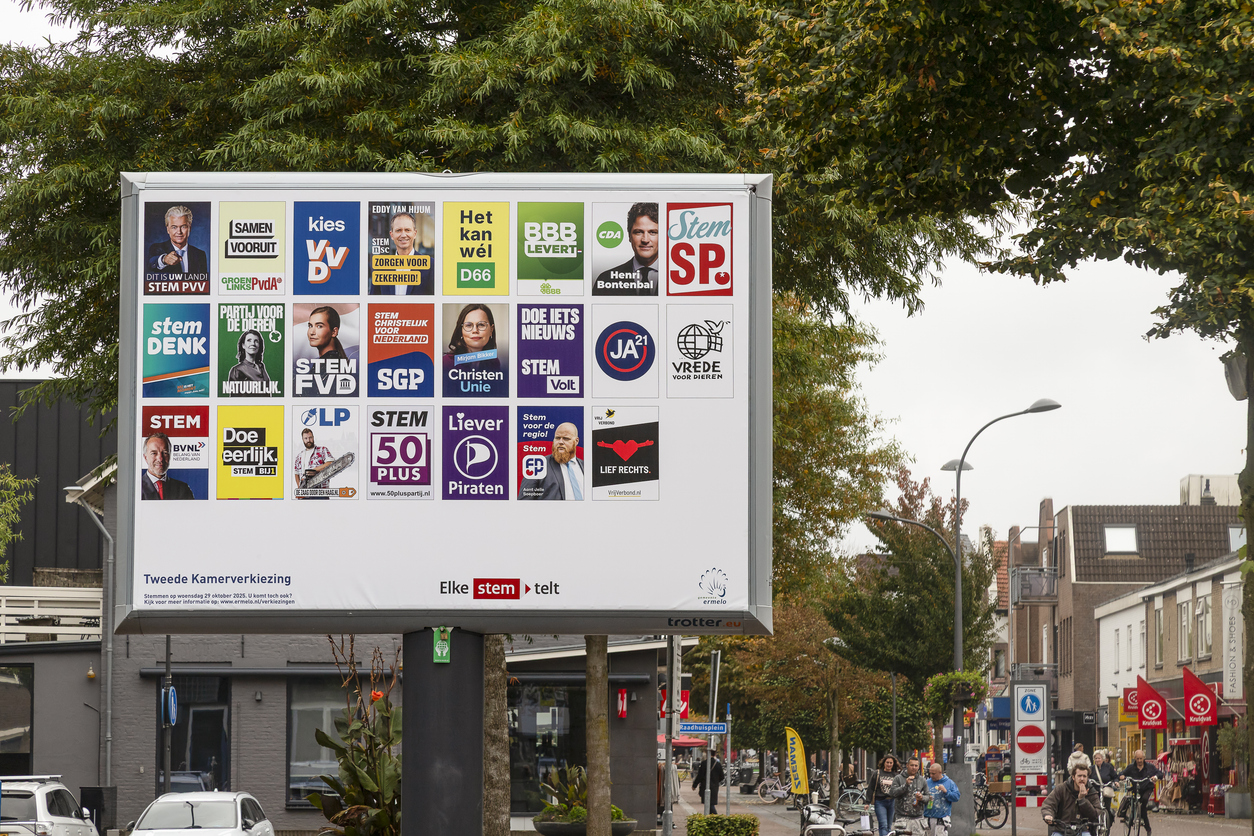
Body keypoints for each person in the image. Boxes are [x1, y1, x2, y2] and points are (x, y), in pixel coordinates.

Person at [594, 202, 660, 295]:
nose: (645, 240)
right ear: (629, 236)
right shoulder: (605, 280)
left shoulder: (680, 279)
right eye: (638, 232)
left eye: (653, 232)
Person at [371, 211, 433, 295]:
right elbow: (374, 304)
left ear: (414, 234)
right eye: (398, 230)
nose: (403, 235)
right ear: (392, 235)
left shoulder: (430, 266)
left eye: (407, 230)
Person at [519, 422, 584, 500]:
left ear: (576, 441)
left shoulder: (587, 467)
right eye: (557, 438)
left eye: (566, 438)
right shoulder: (538, 465)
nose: (560, 442)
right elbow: (524, 504)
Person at [1042, 762, 1101, 836]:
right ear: (1073, 777)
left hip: (1082, 829)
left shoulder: (1091, 792)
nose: (1082, 779)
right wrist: (1048, 815)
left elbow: (1095, 814)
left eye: (1084, 776)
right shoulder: (1061, 788)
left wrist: (1082, 800)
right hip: (1061, 829)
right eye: (1079, 776)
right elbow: (1049, 804)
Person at [147, 205, 208, 274]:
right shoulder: (156, 248)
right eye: (174, 227)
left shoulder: (200, 254)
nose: (179, 232)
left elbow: (203, 282)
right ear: (168, 229)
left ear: (189, 228)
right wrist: (164, 260)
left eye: (183, 227)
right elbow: (152, 263)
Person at [140, 433, 195, 500]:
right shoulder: (137, 488)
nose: (160, 458)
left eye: (165, 453)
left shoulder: (183, 489)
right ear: (145, 457)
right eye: (154, 453)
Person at [1119, 749, 1161, 836]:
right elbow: (1122, 773)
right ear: (1135, 758)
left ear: (1144, 758)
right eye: (1137, 759)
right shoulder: (1131, 767)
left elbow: (1160, 773)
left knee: (1144, 801)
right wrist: (1122, 776)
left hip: (1146, 788)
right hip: (1135, 789)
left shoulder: (1150, 767)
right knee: (1136, 804)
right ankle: (1130, 817)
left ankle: (1147, 827)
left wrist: (1155, 777)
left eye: (1141, 759)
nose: (1139, 761)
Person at [889, 756, 929, 836]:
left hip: (918, 819)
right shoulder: (898, 778)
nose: (914, 768)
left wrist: (922, 798)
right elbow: (892, 793)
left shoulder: (922, 780)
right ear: (907, 765)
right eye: (912, 765)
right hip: (903, 819)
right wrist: (905, 785)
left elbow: (928, 797)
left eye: (916, 765)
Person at [867, 755, 900, 836]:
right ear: (884, 763)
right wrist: (867, 802)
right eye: (887, 762)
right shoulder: (877, 773)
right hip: (880, 802)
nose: (889, 764)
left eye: (891, 763)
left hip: (892, 802)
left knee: (889, 826)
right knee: (883, 825)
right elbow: (871, 787)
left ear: (893, 764)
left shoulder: (895, 775)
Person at [924, 762, 959, 836]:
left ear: (940, 772)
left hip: (941, 818)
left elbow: (956, 797)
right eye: (930, 773)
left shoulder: (949, 783)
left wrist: (946, 792)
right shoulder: (927, 782)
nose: (931, 776)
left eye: (933, 774)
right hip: (927, 817)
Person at [1091, 749, 1116, 830]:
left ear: (1103, 758)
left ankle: (1109, 821)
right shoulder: (1091, 769)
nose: (1097, 760)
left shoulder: (1109, 767)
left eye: (1099, 758)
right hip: (1095, 790)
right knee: (1094, 808)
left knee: (1107, 808)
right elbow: (1087, 777)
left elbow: (1115, 776)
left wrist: (1116, 782)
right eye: (1096, 758)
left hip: (1106, 790)